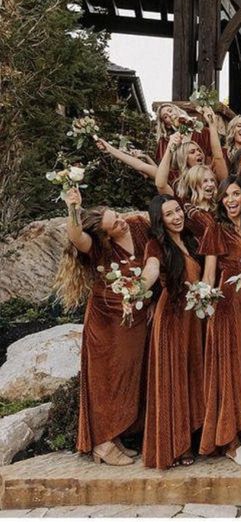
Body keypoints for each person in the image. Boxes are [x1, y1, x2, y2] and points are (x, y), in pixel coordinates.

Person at [55, 188, 149, 465]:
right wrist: (73, 208)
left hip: (132, 321)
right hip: (106, 323)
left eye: (117, 216)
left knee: (128, 377)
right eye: (114, 224)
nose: (121, 222)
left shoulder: (136, 227)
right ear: (105, 236)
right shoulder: (98, 248)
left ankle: (115, 433)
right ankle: (102, 444)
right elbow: (76, 235)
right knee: (106, 380)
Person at [198, 176, 241, 466]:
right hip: (226, 307)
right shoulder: (216, 228)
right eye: (226, 196)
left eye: (236, 194)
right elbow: (209, 274)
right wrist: (208, 308)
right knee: (229, 370)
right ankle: (230, 442)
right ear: (220, 200)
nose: (231, 200)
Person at [140, 195, 205, 469]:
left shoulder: (191, 240)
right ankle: (177, 445)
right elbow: (151, 269)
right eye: (169, 214)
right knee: (174, 376)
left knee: (193, 372)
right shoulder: (156, 245)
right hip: (173, 316)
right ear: (160, 220)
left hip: (195, 317)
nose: (177, 217)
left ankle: (194, 434)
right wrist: (139, 288)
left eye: (178, 210)